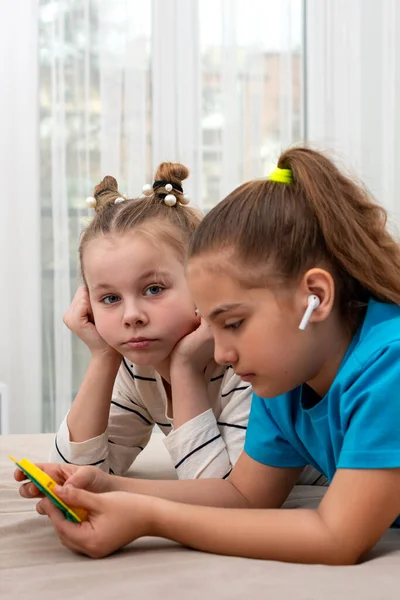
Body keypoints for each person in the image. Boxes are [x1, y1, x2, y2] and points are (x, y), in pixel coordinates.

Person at [19, 146, 394, 565]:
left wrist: (149, 518)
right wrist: (107, 486)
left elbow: (336, 537)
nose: (220, 351)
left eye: (233, 323)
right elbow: (243, 494)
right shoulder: (286, 374)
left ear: (316, 297)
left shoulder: (388, 366)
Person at [49, 162, 253, 480]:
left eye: (154, 289)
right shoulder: (136, 369)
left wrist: (184, 369)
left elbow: (221, 494)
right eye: (110, 299)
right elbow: (72, 477)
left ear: (202, 282)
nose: (132, 316)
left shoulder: (246, 364)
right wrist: (104, 356)